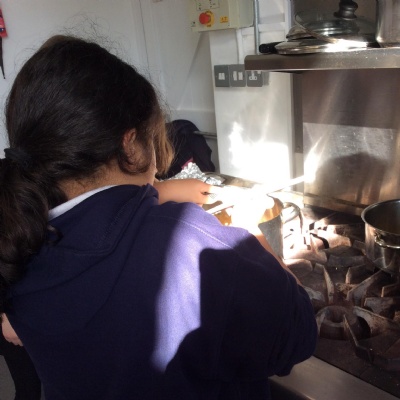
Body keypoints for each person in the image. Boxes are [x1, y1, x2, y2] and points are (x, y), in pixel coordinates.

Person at [0, 35, 317, 400]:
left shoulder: (17, 237)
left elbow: (100, 216)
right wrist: (252, 234)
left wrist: (159, 190)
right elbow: (297, 335)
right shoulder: (191, 245)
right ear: (130, 145)